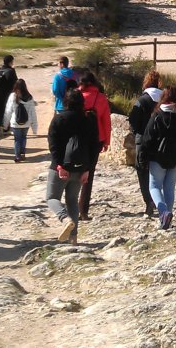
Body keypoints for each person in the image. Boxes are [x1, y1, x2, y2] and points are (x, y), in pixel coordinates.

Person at [46, 89, 99, 243]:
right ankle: (73, 238)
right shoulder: (88, 120)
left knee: (51, 197)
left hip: (62, 167)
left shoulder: (59, 119)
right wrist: (88, 169)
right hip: (81, 167)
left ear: (66, 102)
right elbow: (94, 146)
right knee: (72, 200)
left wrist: (59, 166)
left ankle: (64, 219)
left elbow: (53, 144)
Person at [140, 86, 176, 230]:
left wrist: (142, 158)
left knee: (154, 186)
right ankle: (166, 221)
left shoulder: (157, 115)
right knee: (169, 187)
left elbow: (147, 139)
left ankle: (163, 212)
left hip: (157, 157)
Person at [127, 71, 163, 217]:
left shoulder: (141, 100)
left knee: (142, 171)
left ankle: (148, 201)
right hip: (160, 140)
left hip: (142, 140)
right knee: (157, 172)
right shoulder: (164, 100)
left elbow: (133, 120)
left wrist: (136, 133)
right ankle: (159, 200)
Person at [77, 72, 111, 221]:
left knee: (73, 172)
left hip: (77, 138)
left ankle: (70, 206)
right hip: (96, 139)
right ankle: (83, 210)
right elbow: (106, 122)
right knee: (88, 174)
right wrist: (107, 141)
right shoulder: (101, 98)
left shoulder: (76, 96)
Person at [4, 78, 38, 162]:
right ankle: (22, 153)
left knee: (17, 139)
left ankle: (17, 156)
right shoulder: (29, 97)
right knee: (23, 138)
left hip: (15, 123)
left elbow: (8, 111)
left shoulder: (13, 96)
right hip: (26, 122)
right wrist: (34, 127)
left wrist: (5, 124)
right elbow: (33, 113)